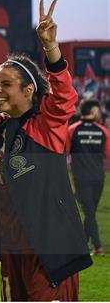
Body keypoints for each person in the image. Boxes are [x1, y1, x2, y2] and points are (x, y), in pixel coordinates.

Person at [0, 0, 91, 301]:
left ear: (28, 89)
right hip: (12, 251)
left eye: (5, 84)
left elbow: (63, 96)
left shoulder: (46, 126)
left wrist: (51, 48)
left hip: (50, 251)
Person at [67, 99, 110, 256]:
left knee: (89, 213)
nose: (99, 111)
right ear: (93, 111)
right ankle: (98, 247)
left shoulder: (72, 130)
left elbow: (64, 152)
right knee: (90, 212)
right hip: (99, 177)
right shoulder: (103, 130)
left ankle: (83, 245)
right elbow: (107, 153)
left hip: (81, 177)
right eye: (97, 109)